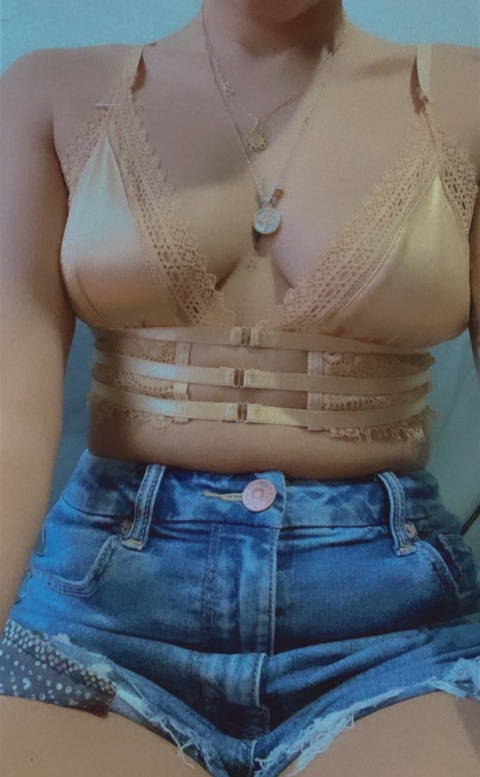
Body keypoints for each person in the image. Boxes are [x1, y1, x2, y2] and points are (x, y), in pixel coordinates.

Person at [1, 1, 479, 775]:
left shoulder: (463, 99)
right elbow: (8, 422)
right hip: (100, 616)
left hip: (397, 629)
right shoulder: (52, 94)